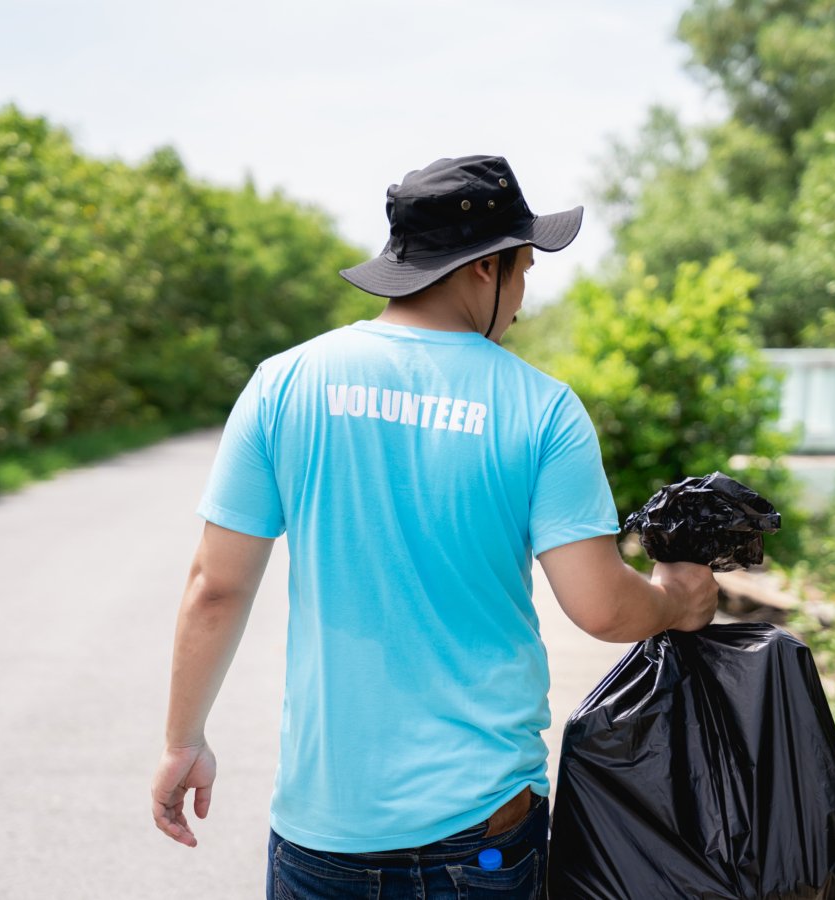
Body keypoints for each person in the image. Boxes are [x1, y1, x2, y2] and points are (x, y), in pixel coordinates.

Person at [149, 155, 719, 899]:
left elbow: (215, 589)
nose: (521, 295)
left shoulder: (283, 383)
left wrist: (182, 741)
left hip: (324, 834)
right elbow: (604, 607)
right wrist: (678, 599)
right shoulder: (541, 408)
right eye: (522, 269)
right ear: (484, 269)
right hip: (480, 832)